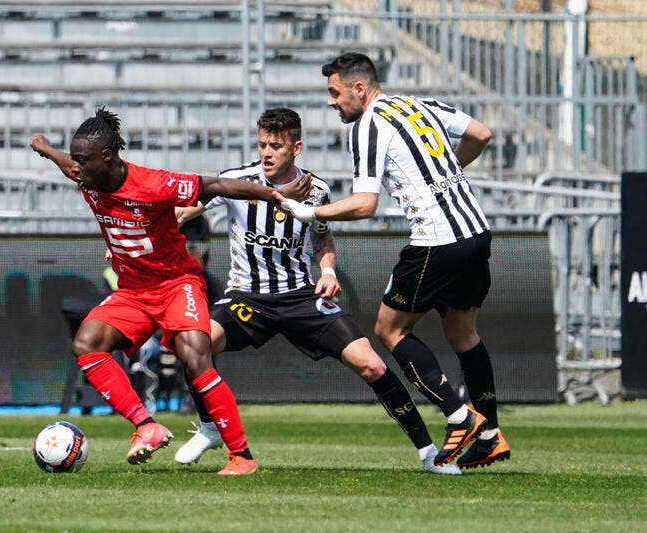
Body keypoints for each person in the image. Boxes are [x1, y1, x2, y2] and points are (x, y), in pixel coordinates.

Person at [173, 107, 462, 475]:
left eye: (275, 146)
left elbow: (323, 239)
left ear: (296, 148)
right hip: (247, 297)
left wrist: (326, 270)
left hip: (300, 297)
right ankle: (212, 427)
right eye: (262, 144)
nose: (266, 153)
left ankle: (429, 454)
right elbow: (183, 213)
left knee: (371, 364)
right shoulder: (236, 180)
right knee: (193, 344)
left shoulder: (318, 191)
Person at [30, 106, 309, 475]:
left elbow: (216, 186)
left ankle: (242, 457)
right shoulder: (87, 175)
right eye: (75, 160)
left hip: (176, 284)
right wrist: (46, 148)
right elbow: (66, 162)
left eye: (83, 160)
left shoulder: (152, 183)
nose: (76, 168)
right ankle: (147, 426)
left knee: (196, 355)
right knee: (87, 343)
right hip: (133, 291)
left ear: (107, 157)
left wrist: (274, 196)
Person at [275, 53, 510, 469]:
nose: (331, 102)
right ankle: (489, 433)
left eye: (335, 92)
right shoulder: (418, 103)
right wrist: (445, 172)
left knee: (389, 329)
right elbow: (482, 133)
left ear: (359, 89)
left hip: (436, 240)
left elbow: (365, 204)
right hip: (476, 231)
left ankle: (460, 416)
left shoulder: (368, 125)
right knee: (462, 333)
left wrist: (309, 213)